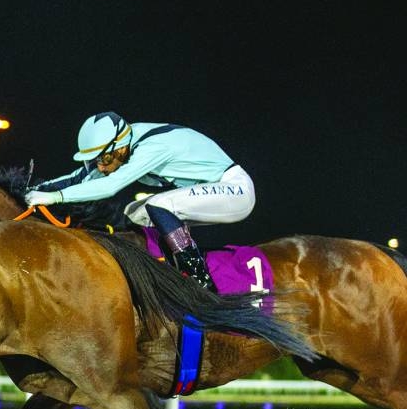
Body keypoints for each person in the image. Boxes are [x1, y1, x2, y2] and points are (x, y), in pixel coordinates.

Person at [24, 112, 256, 291]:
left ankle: (200, 279)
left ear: (120, 147)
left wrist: (56, 197)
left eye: (104, 159)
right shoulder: (122, 145)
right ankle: (165, 268)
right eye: (96, 160)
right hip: (210, 188)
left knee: (159, 206)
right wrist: (36, 190)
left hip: (235, 190)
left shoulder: (150, 147)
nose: (101, 166)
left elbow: (110, 186)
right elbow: (80, 176)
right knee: (134, 213)